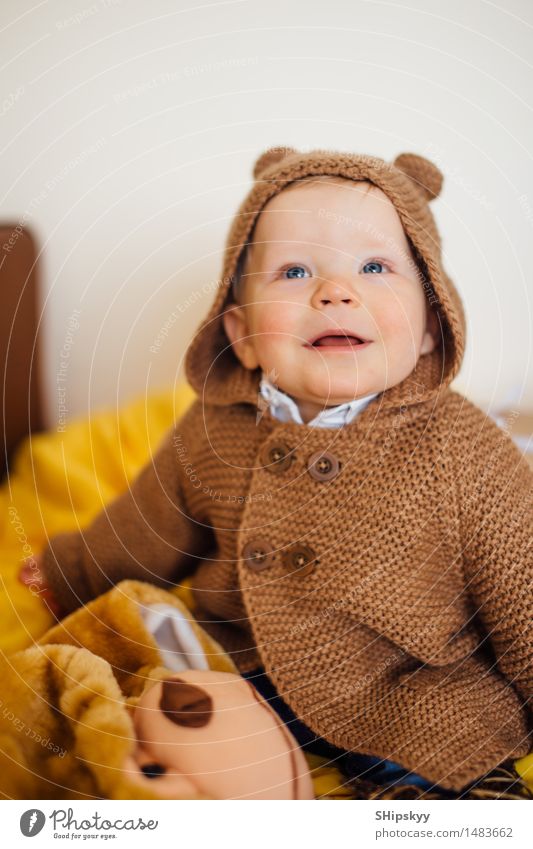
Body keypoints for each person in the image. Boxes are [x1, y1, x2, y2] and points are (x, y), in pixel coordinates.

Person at [21, 146, 533, 793]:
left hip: (404, 689)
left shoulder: (461, 447)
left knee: (447, 775)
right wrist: (70, 570)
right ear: (241, 333)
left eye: (374, 266)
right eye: (294, 270)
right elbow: (146, 524)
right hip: (235, 662)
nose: (335, 290)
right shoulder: (215, 426)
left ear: (431, 323)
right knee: (143, 701)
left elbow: (522, 586)